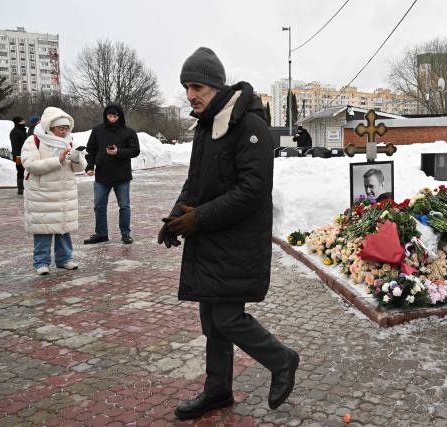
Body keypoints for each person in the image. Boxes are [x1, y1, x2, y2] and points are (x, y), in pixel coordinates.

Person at [157, 47, 299, 420]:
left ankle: (282, 360)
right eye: (186, 86)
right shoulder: (206, 127)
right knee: (212, 323)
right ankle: (217, 390)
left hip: (237, 243)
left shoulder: (248, 126)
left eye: (197, 86)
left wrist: (199, 219)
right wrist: (175, 219)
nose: (191, 94)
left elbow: (253, 190)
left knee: (227, 319)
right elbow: (196, 183)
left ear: (217, 86)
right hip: (211, 241)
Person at [21, 107, 87, 275]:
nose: (64, 131)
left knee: (63, 228)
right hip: (42, 194)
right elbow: (31, 165)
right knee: (43, 229)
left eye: (66, 128)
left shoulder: (69, 141)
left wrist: (77, 159)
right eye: (60, 128)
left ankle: (65, 258)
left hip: (64, 192)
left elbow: (79, 168)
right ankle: (41, 262)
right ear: (50, 126)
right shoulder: (33, 141)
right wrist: (58, 159)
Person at [84, 103, 140, 245]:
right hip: (102, 175)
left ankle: (125, 234)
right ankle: (101, 233)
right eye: (110, 115)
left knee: (124, 206)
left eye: (115, 116)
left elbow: (135, 151)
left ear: (119, 116)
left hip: (122, 176)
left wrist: (118, 152)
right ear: (106, 116)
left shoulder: (129, 132)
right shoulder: (97, 130)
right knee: (99, 205)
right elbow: (91, 150)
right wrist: (90, 166)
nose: (112, 118)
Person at [9, 116, 27, 195]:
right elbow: (16, 146)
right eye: (22, 121)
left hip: (25, 154)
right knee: (20, 171)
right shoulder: (15, 132)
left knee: (24, 171)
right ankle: (20, 188)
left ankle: (25, 187)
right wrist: (18, 157)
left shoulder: (22, 131)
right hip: (19, 156)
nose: (24, 122)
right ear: (18, 122)